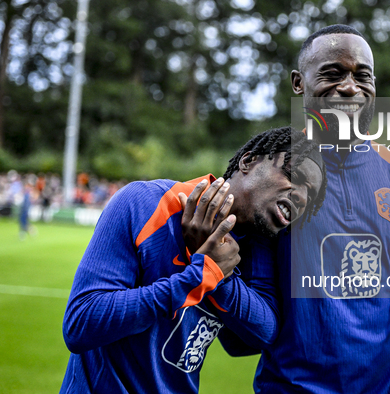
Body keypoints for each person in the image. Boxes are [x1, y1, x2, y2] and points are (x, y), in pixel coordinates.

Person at [222, 25, 390, 394]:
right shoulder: (270, 182)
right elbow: (241, 341)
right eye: (332, 73)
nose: (350, 87)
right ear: (299, 83)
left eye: (362, 75)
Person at [60, 127, 326, 393]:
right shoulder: (145, 202)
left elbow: (255, 338)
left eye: (310, 196)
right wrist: (200, 276)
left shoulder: (259, 247)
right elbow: (81, 323)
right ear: (248, 161)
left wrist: (223, 280)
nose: (301, 196)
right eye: (293, 175)